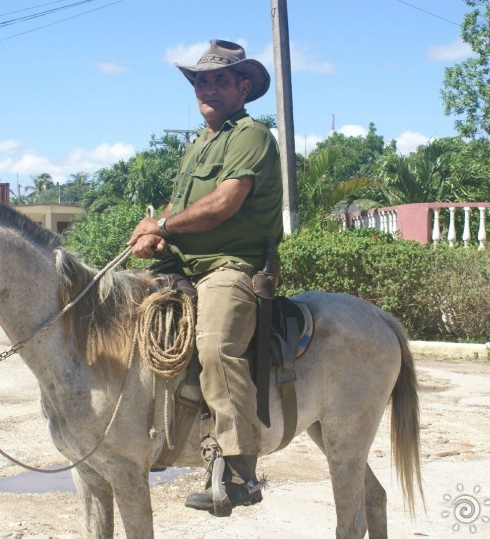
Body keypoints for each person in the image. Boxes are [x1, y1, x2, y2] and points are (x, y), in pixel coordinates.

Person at [128, 39, 283, 512]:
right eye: (201, 80)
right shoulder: (199, 144)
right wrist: (153, 234)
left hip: (231, 266)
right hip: (186, 265)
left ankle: (240, 471)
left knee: (215, 347)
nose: (208, 88)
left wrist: (166, 225)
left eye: (219, 79)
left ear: (243, 86)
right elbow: (183, 205)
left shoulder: (252, 136)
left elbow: (224, 203)